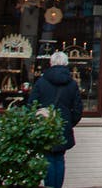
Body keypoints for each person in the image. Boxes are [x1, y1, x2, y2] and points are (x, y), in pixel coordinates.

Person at [28, 51, 83, 188]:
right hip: (63, 126)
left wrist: (38, 121)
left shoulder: (41, 82)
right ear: (66, 64)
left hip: (45, 125)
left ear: (50, 63)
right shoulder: (72, 84)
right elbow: (77, 109)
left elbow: (31, 105)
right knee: (59, 159)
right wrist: (69, 122)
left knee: (48, 159)